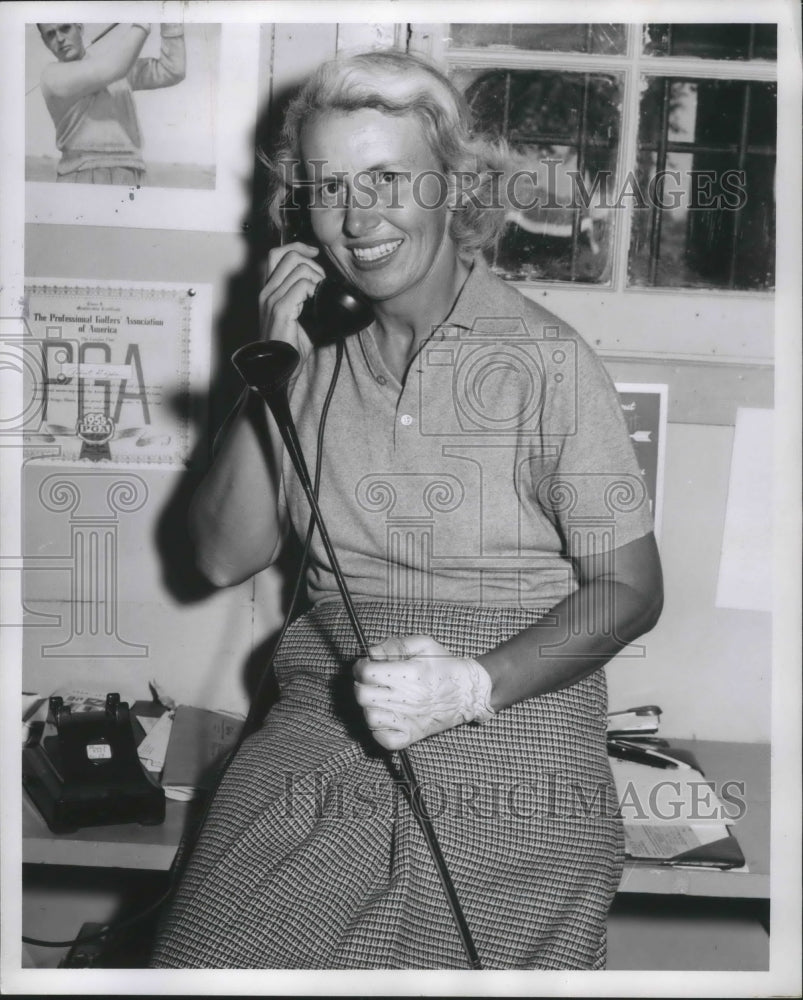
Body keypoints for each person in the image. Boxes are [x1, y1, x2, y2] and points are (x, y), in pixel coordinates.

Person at [150, 50, 663, 971]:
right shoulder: (309, 358)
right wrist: (272, 363)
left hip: (515, 723)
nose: (359, 217)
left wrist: (470, 685)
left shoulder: (547, 362)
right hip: (326, 723)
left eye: (387, 178)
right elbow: (222, 558)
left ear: (452, 188)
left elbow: (629, 589)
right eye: (329, 185)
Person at [37, 22, 185, 185]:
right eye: (50, 34)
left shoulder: (110, 66)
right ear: (44, 41)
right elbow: (114, 67)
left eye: (65, 29)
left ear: (80, 28)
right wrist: (144, 19)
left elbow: (173, 70)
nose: (59, 39)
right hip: (82, 173)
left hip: (132, 172)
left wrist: (170, 20)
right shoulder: (51, 76)